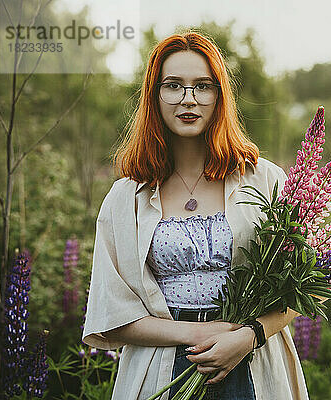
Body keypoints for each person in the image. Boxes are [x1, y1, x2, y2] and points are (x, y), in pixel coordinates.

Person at [81, 30, 309, 400]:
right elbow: (112, 315)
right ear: (154, 96)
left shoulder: (265, 179)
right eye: (173, 85)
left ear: (220, 97)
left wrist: (249, 336)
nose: (188, 99)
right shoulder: (127, 196)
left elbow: (296, 290)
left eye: (203, 86)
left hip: (254, 365)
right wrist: (196, 333)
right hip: (160, 371)